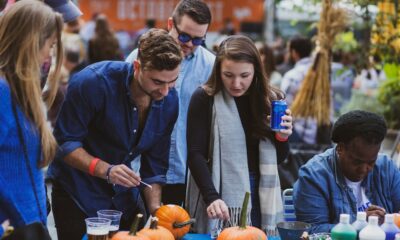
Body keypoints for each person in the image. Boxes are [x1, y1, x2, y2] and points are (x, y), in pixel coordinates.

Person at [47, 28, 182, 240]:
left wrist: (157, 210)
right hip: (77, 193)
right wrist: (106, 170)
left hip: (123, 199)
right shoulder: (93, 83)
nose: (165, 91)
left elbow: (154, 165)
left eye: (172, 81)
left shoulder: (170, 101)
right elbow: (64, 143)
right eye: (157, 82)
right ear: (137, 66)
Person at [186, 35, 293, 233]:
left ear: (256, 71)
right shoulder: (204, 98)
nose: (236, 83)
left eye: (244, 76)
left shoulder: (271, 100)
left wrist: (283, 137)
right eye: (228, 75)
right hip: (216, 187)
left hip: (263, 190)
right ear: (218, 70)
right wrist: (212, 196)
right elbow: (195, 154)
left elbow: (279, 158)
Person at [126, 0, 215, 206]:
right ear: (170, 24)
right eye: (184, 36)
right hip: (138, 170)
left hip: (186, 172)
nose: (190, 44)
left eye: (198, 40)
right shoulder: (138, 58)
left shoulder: (211, 66)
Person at [0, 0, 63, 237]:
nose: (50, 54)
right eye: (50, 45)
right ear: (32, 43)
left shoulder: (21, 91)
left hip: (30, 226)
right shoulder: (2, 92)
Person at [293, 110, 400, 234]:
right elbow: (312, 231)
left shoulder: (386, 167)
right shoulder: (313, 176)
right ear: (340, 149)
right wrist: (359, 224)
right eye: (357, 162)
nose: (364, 169)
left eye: (371, 162)